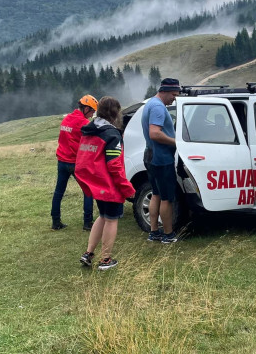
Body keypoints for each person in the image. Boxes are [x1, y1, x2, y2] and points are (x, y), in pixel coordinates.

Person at [77, 97, 136, 270]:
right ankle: (106, 260)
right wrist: (127, 188)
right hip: (109, 186)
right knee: (111, 220)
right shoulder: (112, 134)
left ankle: (88, 253)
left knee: (102, 217)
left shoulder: (90, 130)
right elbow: (114, 165)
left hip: (96, 184)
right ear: (115, 113)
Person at [141, 78, 180, 243]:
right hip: (161, 159)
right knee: (166, 198)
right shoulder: (158, 107)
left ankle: (154, 232)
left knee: (156, 194)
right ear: (164, 90)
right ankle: (168, 235)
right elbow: (155, 133)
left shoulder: (150, 103)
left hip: (150, 155)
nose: (174, 98)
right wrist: (177, 142)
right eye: (173, 94)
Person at [51, 94, 97, 231]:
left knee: (59, 192)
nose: (92, 115)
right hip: (75, 163)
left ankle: (55, 222)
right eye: (92, 112)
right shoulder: (84, 123)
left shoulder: (66, 120)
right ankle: (88, 223)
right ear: (86, 108)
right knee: (88, 191)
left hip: (62, 161)